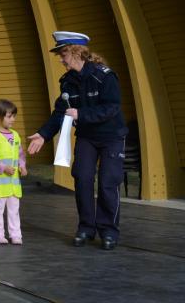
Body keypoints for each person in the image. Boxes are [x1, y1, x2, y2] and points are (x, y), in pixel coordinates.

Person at [27, 31, 127, 250]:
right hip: (87, 137)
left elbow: (112, 107)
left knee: (108, 182)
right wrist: (43, 134)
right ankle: (86, 228)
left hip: (111, 137)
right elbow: (61, 112)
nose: (61, 60)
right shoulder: (67, 82)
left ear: (76, 51)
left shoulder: (105, 76)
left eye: (63, 54)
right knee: (82, 178)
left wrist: (82, 115)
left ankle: (109, 231)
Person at [0, 99, 27, 245]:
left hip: (13, 184)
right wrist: (3, 168)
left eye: (14, 116)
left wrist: (22, 166)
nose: (13, 119)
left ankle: (15, 234)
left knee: (14, 210)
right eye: (9, 116)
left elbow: (20, 154)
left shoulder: (15, 135)